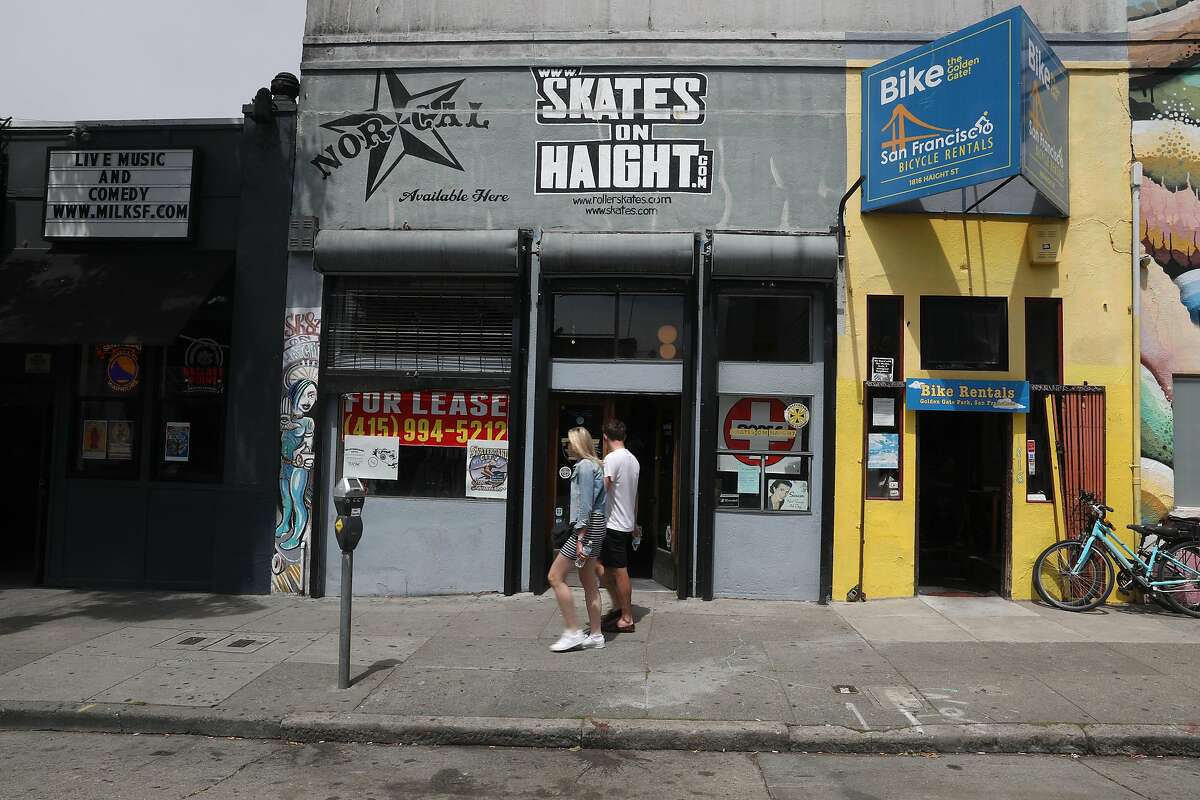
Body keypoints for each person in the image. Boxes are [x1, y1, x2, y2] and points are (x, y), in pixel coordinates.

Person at [546, 426, 608, 653]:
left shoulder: (584, 467)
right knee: (588, 580)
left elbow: (586, 505)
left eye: (569, 443)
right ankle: (596, 634)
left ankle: (573, 631)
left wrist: (580, 536)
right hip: (597, 525)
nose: (567, 447)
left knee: (554, 576)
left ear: (578, 444)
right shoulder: (595, 466)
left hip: (587, 527)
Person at [598, 419, 640, 634]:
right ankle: (618, 606)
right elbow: (635, 495)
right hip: (624, 523)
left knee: (620, 571)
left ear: (605, 437)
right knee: (602, 567)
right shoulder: (633, 461)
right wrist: (634, 522)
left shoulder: (611, 459)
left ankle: (626, 616)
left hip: (612, 524)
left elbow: (602, 490)